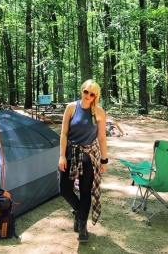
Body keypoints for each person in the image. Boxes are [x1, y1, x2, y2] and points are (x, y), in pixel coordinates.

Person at [58, 79, 107, 242]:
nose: (88, 95)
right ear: (82, 90)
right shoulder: (71, 107)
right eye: (86, 91)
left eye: (92, 94)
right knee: (64, 189)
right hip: (70, 154)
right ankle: (79, 213)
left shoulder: (99, 112)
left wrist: (104, 160)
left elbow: (101, 138)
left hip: (89, 157)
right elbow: (64, 133)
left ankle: (83, 226)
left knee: (86, 193)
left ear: (96, 96)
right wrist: (61, 155)